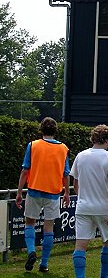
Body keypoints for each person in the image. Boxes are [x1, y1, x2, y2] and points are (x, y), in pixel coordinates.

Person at [15, 117, 70, 273]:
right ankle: (44, 263)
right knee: (49, 228)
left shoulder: (33, 145)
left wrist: (19, 192)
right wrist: (66, 192)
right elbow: (66, 174)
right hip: (53, 192)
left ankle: (32, 250)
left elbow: (25, 170)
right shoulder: (63, 148)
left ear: (41, 130)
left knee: (29, 223)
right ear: (55, 130)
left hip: (34, 190)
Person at [70, 124, 108, 278]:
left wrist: (83, 196)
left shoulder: (80, 156)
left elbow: (75, 184)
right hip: (104, 207)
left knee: (80, 246)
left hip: (83, 207)